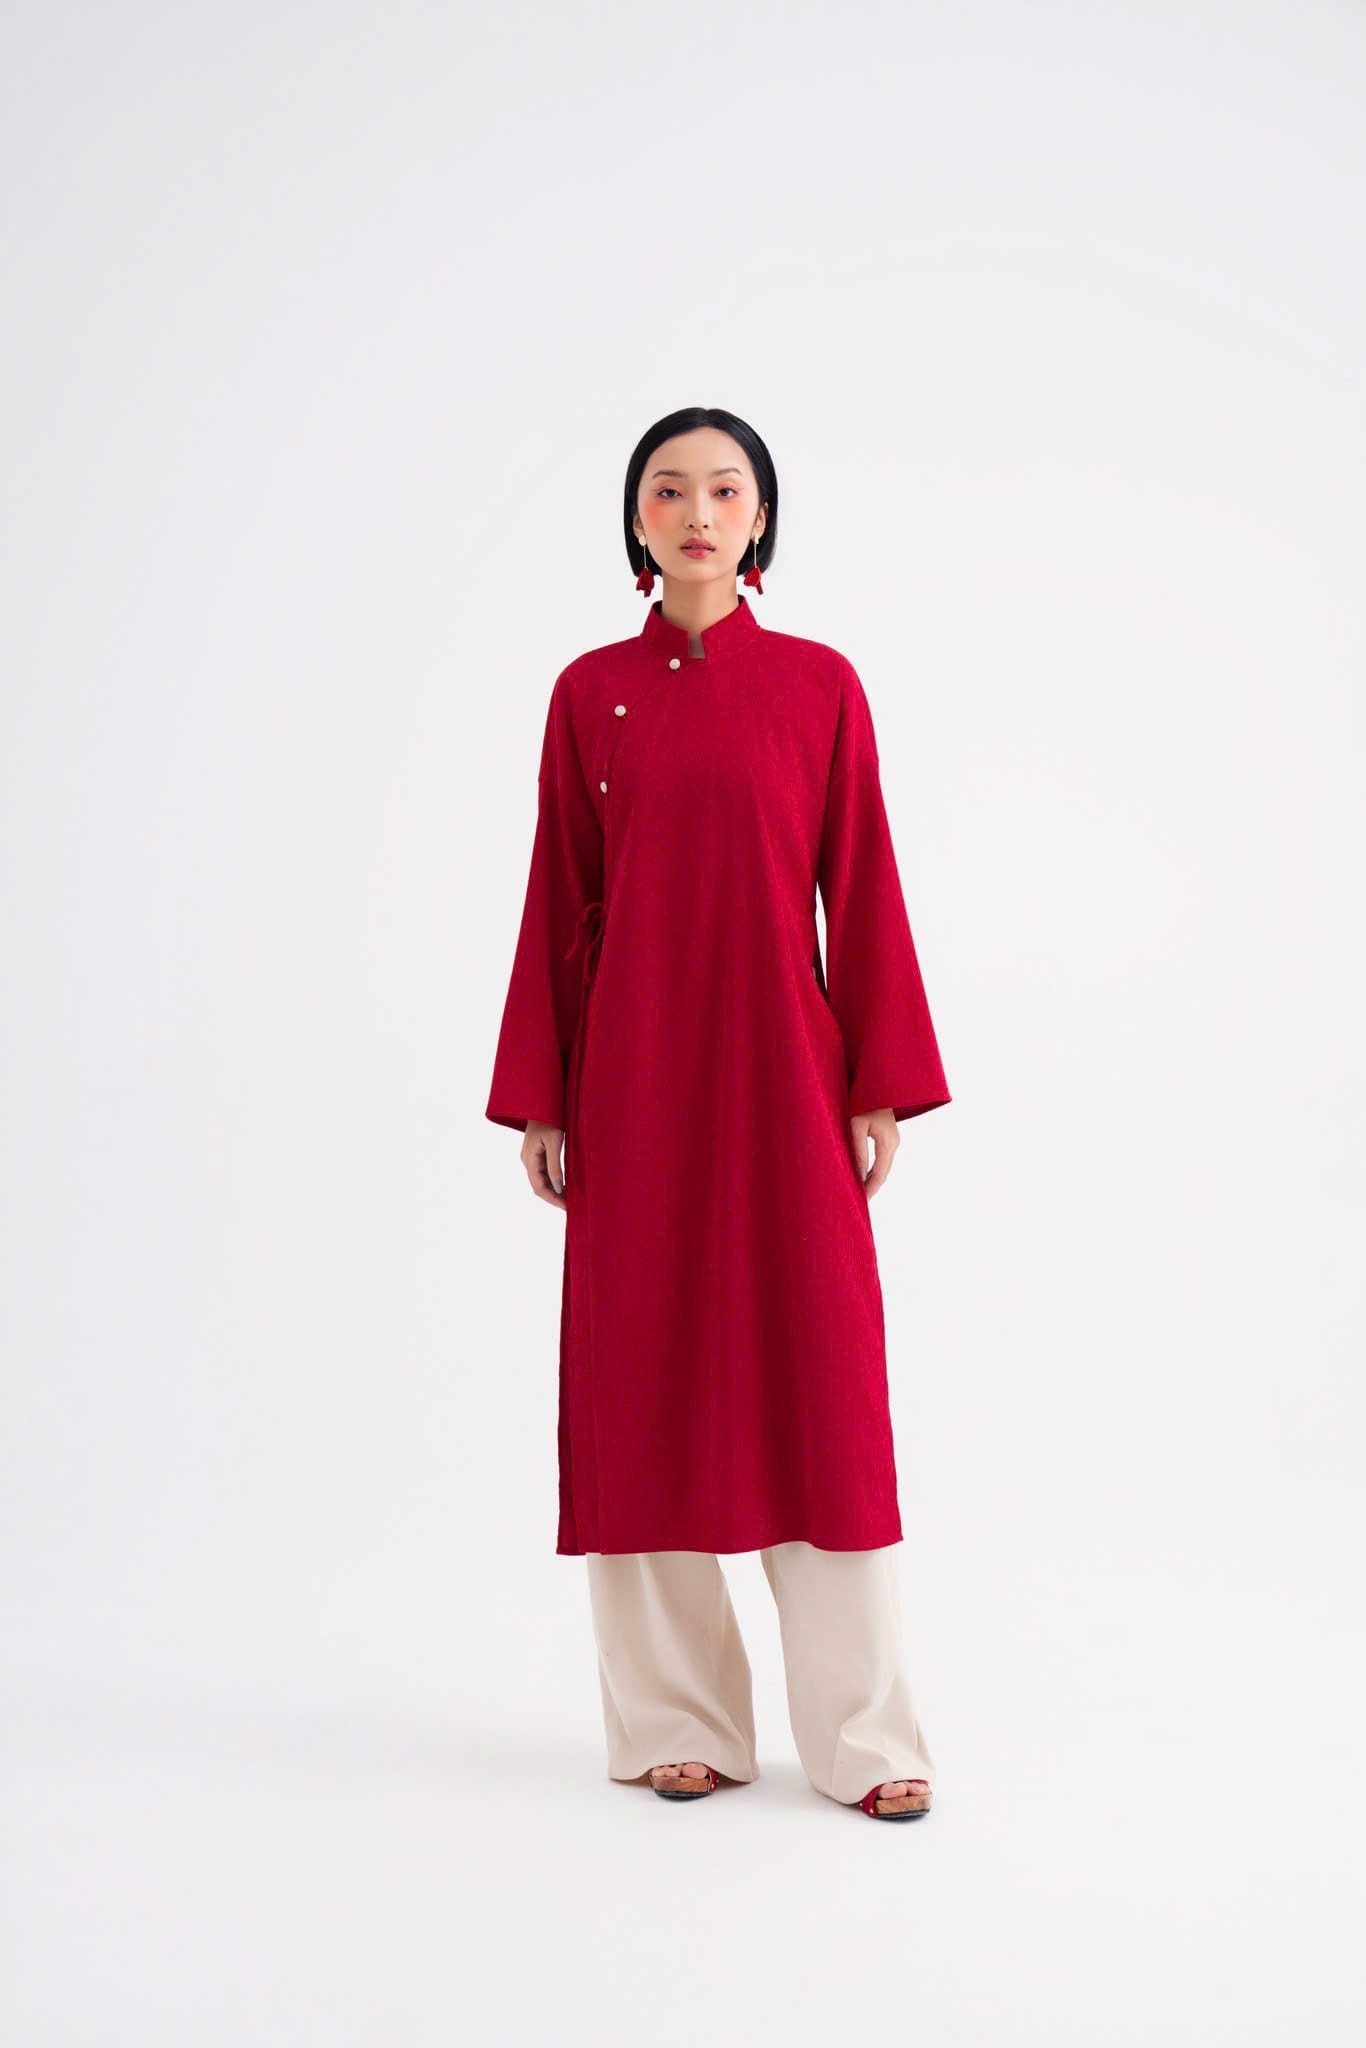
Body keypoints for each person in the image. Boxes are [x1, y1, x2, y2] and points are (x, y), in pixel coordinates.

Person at [485, 406, 951, 1822]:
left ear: (760, 519)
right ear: (637, 520)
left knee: (822, 1388)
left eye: (724, 489)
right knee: (641, 1381)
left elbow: (860, 882)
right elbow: (559, 895)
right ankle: (675, 1722)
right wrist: (544, 1098)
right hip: (630, 1083)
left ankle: (865, 1738)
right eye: (669, 490)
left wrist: (875, 1082)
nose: (697, 513)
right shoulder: (589, 694)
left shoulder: (818, 685)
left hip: (783, 1077)